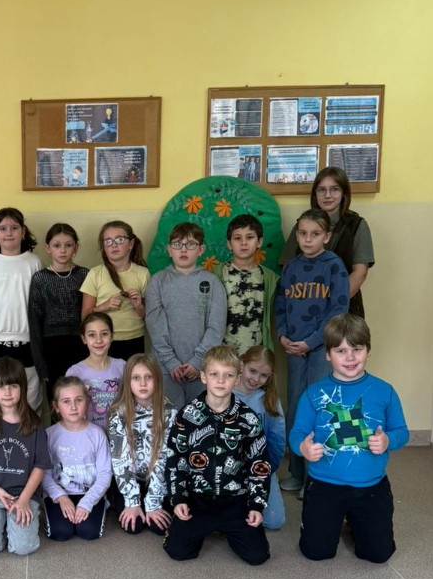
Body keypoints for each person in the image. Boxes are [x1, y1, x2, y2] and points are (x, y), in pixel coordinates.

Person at [290, 314, 407, 563]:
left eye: (357, 349)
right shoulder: (313, 393)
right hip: (324, 485)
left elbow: (401, 431)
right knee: (316, 552)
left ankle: (355, 522)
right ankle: (336, 520)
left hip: (371, 486)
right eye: (341, 351)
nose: (350, 357)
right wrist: (302, 448)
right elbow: (297, 433)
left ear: (368, 351)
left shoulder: (384, 391)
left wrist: (388, 440)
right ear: (328, 355)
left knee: (378, 554)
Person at [164, 344, 271, 566]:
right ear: (204, 377)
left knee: (257, 556)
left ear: (237, 379)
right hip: (198, 500)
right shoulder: (187, 415)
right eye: (214, 374)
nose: (221, 381)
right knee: (177, 551)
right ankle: (193, 526)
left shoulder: (248, 419)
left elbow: (258, 463)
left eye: (228, 375)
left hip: (235, 501)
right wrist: (179, 498)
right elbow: (176, 460)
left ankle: (227, 528)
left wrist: (256, 504)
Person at [275, 209, 350, 494]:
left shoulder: (334, 266)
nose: (308, 239)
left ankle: (317, 477)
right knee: (297, 408)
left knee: (321, 409)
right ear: (297, 236)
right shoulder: (291, 268)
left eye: (315, 234)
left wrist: (312, 341)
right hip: (294, 349)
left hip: (321, 349)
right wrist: (282, 335)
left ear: (327, 236)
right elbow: (280, 305)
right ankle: (297, 472)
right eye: (303, 233)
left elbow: (338, 311)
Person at [0, 357, 50, 555]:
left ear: (23, 387)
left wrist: (24, 499)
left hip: (23, 494)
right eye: (0, 386)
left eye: (13, 386)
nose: (7, 392)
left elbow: (39, 467)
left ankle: (7, 524)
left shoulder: (35, 424)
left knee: (23, 548)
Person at [145, 222, 227, 410]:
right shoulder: (158, 281)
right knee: (168, 418)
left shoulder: (212, 282)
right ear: (169, 250)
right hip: (165, 367)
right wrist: (170, 361)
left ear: (201, 250)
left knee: (200, 418)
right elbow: (155, 325)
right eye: (177, 244)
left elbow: (216, 327)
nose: (183, 249)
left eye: (190, 244)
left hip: (203, 368)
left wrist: (198, 362)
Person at [279, 165, 374, 316]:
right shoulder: (301, 225)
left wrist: (332, 305)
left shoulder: (356, 225)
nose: (328, 195)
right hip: (305, 311)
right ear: (315, 194)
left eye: (334, 189)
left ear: (344, 193)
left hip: (344, 310)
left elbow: (360, 272)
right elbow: (287, 269)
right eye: (322, 190)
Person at [0, 207, 43, 410]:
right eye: (3, 228)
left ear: (23, 232)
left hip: (27, 340)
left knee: (29, 398)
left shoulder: (34, 263)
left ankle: (29, 431)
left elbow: (39, 303)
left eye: (14, 227)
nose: (9, 233)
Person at [107, 353, 175, 534]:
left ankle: (151, 501)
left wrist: (153, 503)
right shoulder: (117, 414)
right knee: (134, 526)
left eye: (148, 377)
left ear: (157, 380)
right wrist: (132, 502)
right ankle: (124, 499)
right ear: (127, 381)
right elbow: (120, 460)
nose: (143, 383)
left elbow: (164, 458)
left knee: (158, 527)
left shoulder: (169, 412)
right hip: (130, 477)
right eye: (136, 378)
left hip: (158, 479)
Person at [42, 376, 112, 542]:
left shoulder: (97, 434)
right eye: (66, 401)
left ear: (86, 403)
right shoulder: (49, 435)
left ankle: (102, 505)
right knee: (61, 532)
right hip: (58, 494)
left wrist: (87, 502)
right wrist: (61, 497)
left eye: (78, 400)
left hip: (90, 493)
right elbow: (44, 474)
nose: (73, 407)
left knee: (88, 531)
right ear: (56, 407)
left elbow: (105, 474)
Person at [28, 222, 88, 392]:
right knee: (57, 398)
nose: (63, 250)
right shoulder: (40, 279)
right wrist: (40, 364)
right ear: (48, 248)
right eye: (57, 245)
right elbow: (34, 322)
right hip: (51, 349)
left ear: (76, 247)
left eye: (68, 245)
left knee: (81, 395)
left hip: (80, 345)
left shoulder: (85, 275)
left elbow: (91, 317)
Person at [233, 345, 286, 530]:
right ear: (242, 364)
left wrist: (268, 471)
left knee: (274, 521)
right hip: (229, 469)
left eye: (263, 375)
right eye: (252, 371)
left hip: (260, 469)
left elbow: (277, 440)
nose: (256, 379)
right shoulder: (225, 392)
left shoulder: (269, 400)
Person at [80, 221, 150, 359]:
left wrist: (138, 306)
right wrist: (104, 306)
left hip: (135, 338)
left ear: (131, 244)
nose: (113, 245)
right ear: (103, 249)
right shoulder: (95, 273)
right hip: (104, 341)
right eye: (108, 241)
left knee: (133, 373)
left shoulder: (143, 273)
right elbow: (84, 316)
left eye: (119, 240)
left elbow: (148, 316)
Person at [214, 214, 278, 354]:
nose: (243, 243)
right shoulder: (217, 274)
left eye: (249, 237)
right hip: (223, 354)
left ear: (259, 242)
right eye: (237, 238)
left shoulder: (270, 278)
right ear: (229, 244)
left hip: (256, 354)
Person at [66, 311, 125, 429]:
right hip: (89, 435)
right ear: (84, 338)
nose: (99, 340)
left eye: (104, 334)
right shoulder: (75, 373)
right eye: (92, 335)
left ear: (112, 336)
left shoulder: (123, 366)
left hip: (119, 433)